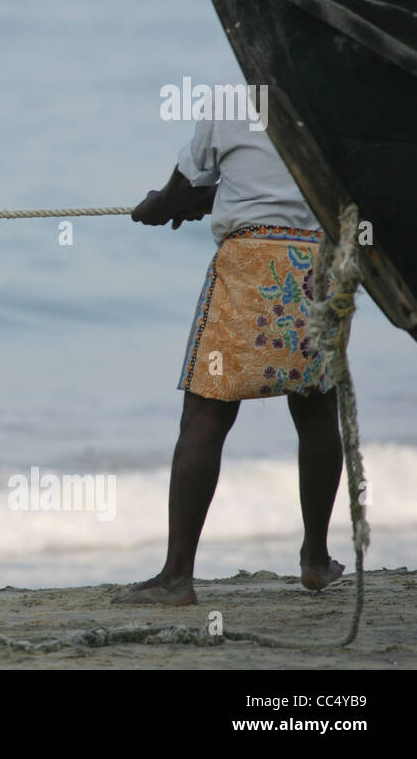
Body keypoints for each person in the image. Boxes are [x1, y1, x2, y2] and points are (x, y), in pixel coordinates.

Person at [115, 112, 344, 605]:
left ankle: (178, 576)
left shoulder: (231, 105)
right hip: (315, 263)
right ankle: (317, 560)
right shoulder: (328, 99)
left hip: (249, 264)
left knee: (206, 416)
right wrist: (212, 198)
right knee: (317, 409)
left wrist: (158, 206)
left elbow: (178, 192)